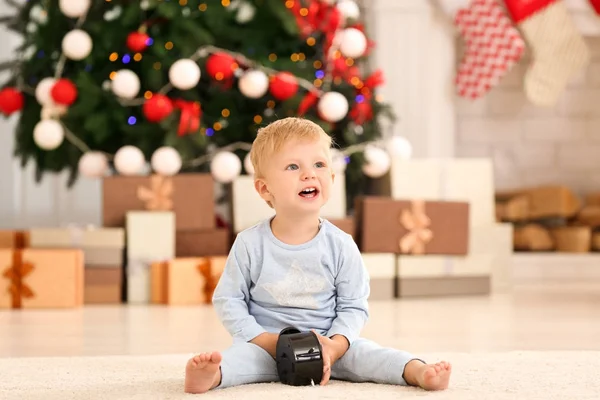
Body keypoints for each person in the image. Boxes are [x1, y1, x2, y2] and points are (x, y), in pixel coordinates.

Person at [184, 117, 451, 394]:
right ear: (265, 189)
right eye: (293, 166)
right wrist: (263, 340)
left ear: (331, 179)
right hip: (267, 348)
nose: (309, 174)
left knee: (373, 355)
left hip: (328, 345)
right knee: (239, 360)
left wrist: (336, 345)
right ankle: (212, 376)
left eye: (319, 165)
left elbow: (353, 305)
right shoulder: (250, 244)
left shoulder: (341, 245)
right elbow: (229, 299)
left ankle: (417, 371)